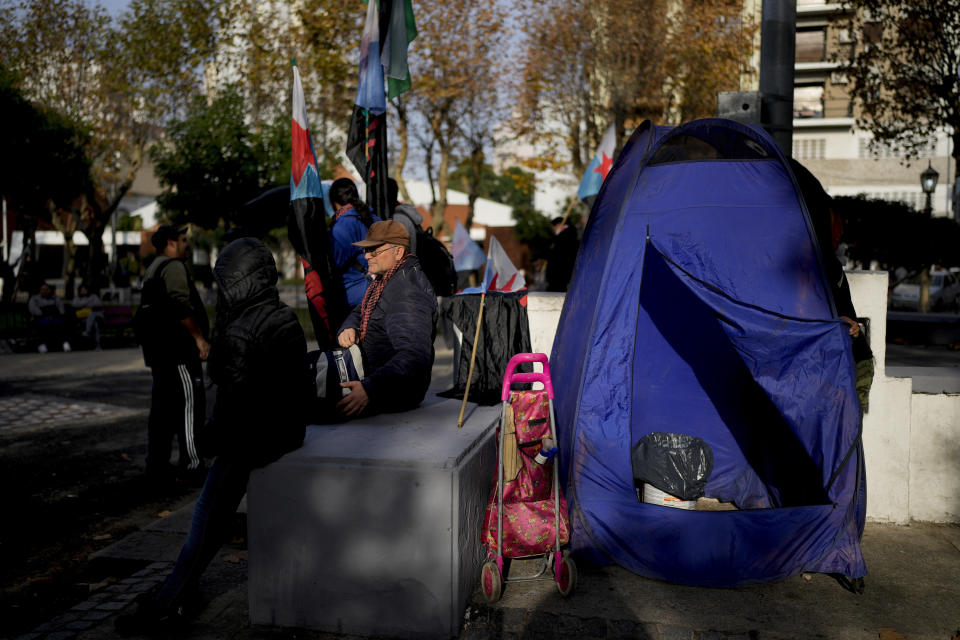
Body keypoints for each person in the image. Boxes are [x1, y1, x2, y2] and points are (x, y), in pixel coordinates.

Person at [116, 237, 310, 632]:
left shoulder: (240, 332)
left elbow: (234, 413)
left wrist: (206, 441)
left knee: (207, 516)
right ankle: (178, 590)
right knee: (211, 511)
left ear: (237, 282)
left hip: (255, 440)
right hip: (286, 430)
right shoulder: (284, 316)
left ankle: (170, 600)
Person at [335, 220, 438, 417]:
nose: (366, 256)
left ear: (398, 252)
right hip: (374, 384)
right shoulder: (388, 279)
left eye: (374, 251)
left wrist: (369, 389)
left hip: (391, 394)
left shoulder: (408, 291)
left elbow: (413, 356)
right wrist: (349, 327)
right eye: (367, 250)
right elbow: (362, 309)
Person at [140, 225, 210, 484]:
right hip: (179, 351)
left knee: (162, 409)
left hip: (159, 353)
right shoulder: (173, 266)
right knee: (190, 406)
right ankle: (193, 465)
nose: (185, 244)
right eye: (182, 240)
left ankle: (156, 464)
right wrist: (199, 338)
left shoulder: (153, 268)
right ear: (170, 243)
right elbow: (181, 304)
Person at [329, 178, 380, 308]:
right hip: (381, 293)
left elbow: (334, 264)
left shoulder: (343, 225)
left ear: (333, 202)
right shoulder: (377, 219)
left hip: (354, 300)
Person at [28, 282, 70, 353]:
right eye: (43, 289)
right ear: (40, 290)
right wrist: (46, 314)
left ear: (49, 290)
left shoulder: (55, 298)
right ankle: (42, 344)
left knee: (61, 324)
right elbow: (34, 309)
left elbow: (61, 309)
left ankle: (64, 343)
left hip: (54, 317)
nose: (44, 291)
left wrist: (53, 315)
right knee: (43, 325)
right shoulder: (35, 298)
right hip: (40, 318)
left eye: (46, 289)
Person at [545, 216, 579, 292]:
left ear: (558, 225)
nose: (553, 229)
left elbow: (560, 254)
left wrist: (557, 237)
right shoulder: (561, 236)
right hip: (559, 275)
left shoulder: (567, 235)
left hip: (561, 274)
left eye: (553, 227)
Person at [72, 282, 105, 350]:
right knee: (95, 324)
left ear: (88, 289)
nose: (83, 291)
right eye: (82, 290)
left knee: (92, 315)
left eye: (84, 289)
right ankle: (97, 345)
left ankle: (87, 332)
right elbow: (74, 304)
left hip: (97, 317)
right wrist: (88, 305)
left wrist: (83, 305)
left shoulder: (94, 296)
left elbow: (98, 304)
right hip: (82, 319)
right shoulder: (78, 298)